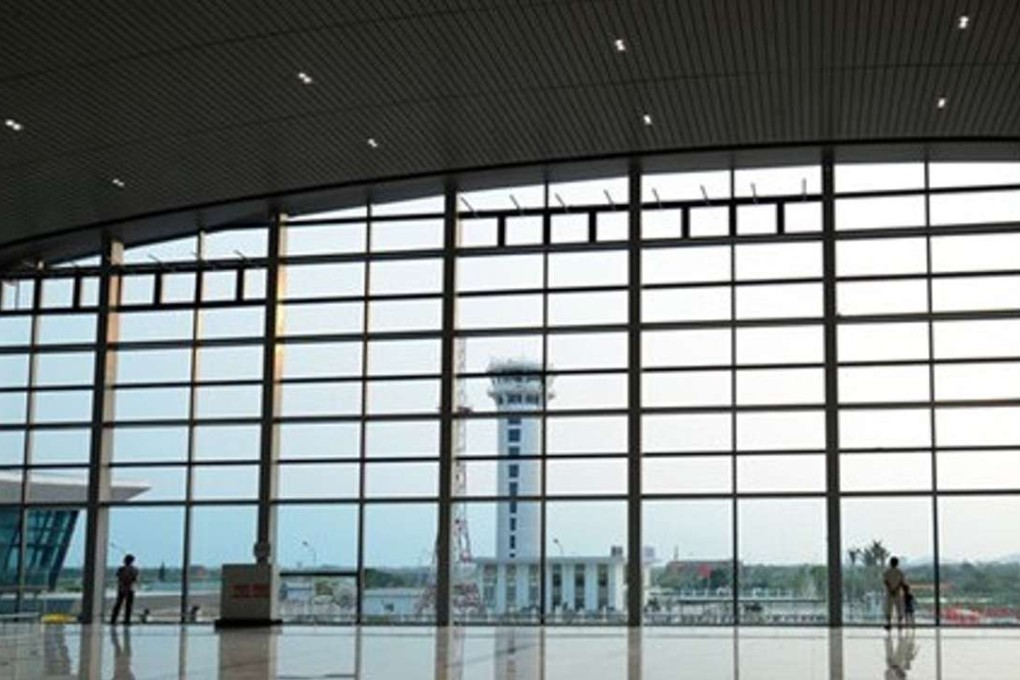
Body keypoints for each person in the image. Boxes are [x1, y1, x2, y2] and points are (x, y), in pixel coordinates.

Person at [110, 554, 139, 625]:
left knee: (118, 604)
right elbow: (135, 579)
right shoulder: (134, 570)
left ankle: (113, 619)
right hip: (130, 589)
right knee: (128, 605)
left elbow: (119, 578)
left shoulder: (121, 569)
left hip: (122, 588)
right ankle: (127, 620)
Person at [882, 556, 905, 631]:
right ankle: (900, 624)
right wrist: (896, 589)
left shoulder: (887, 572)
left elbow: (886, 582)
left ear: (890, 563)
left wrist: (891, 589)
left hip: (889, 593)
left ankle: (889, 624)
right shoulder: (900, 572)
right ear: (897, 563)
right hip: (897, 592)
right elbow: (901, 582)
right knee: (899, 608)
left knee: (889, 608)